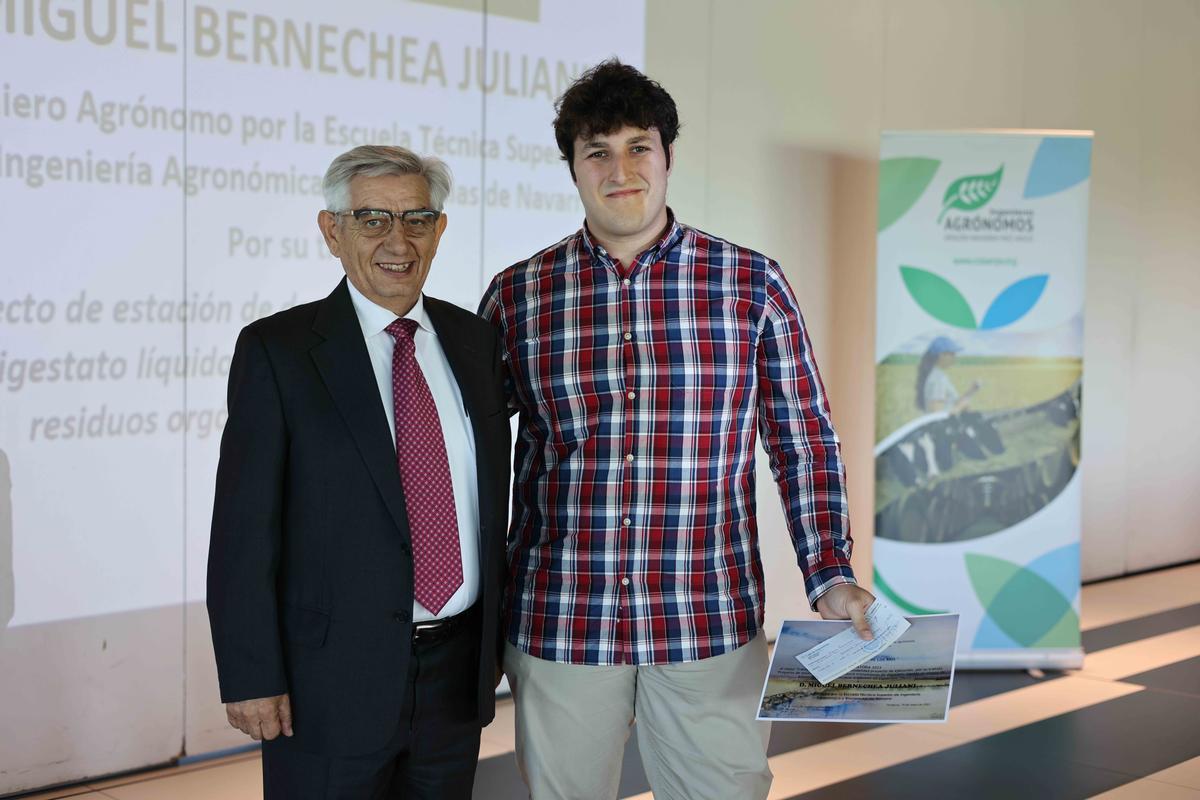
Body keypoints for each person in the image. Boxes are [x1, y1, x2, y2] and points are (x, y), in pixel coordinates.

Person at [479, 60, 875, 800]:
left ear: (668, 158)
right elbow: (466, 455)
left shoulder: (750, 284)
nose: (620, 169)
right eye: (597, 151)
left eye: (639, 146)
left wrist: (830, 573)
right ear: (572, 167)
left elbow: (802, 441)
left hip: (706, 619)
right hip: (563, 620)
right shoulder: (518, 296)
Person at [207, 145, 510, 800]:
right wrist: (251, 674)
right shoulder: (278, 352)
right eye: (373, 220)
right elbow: (242, 532)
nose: (397, 241)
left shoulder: (474, 343)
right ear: (332, 231)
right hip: (326, 689)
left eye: (417, 220)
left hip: (455, 683)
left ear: (439, 231)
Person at [915, 335, 982, 413]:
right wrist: (960, 407)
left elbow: (953, 403)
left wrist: (972, 390)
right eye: (952, 354)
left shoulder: (937, 375)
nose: (955, 357)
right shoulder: (938, 379)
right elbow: (936, 414)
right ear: (941, 355)